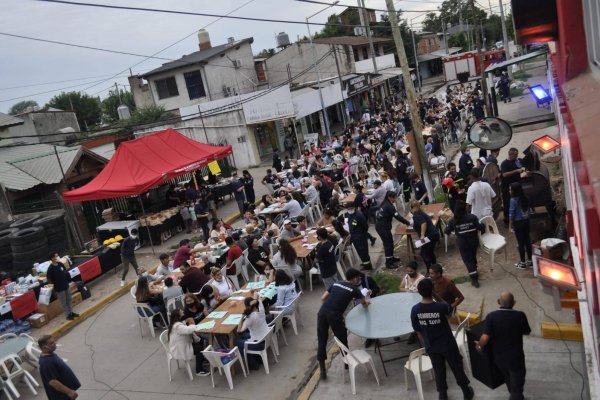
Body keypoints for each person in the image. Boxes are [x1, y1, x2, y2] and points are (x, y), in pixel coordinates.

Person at [411, 279, 474, 400]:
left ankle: (443, 395)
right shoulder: (440, 307)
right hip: (448, 344)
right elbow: (448, 307)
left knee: (439, 371)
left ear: (419, 292)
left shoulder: (415, 310)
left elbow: (417, 330)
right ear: (432, 290)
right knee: (457, 367)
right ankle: (466, 392)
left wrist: (426, 343)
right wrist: (435, 294)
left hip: (431, 346)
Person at [475, 292, 531, 400]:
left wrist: (479, 346)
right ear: (514, 303)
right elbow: (526, 332)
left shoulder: (491, 317)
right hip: (516, 360)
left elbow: (485, 338)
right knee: (517, 389)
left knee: (509, 380)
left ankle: (514, 394)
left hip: (499, 360)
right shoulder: (520, 315)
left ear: (498, 302)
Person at [317, 268, 369, 380]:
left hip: (322, 312)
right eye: (358, 278)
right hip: (335, 316)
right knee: (342, 338)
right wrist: (367, 304)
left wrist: (327, 308)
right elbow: (364, 303)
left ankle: (322, 370)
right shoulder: (354, 289)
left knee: (322, 339)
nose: (359, 280)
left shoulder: (337, 283)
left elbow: (323, 298)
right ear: (354, 278)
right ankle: (346, 363)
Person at [444, 200, 485, 287]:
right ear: (465, 208)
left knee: (468, 260)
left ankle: (474, 279)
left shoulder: (453, 220)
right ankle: (474, 270)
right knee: (472, 257)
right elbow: (481, 227)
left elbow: (446, 231)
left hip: (463, 243)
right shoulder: (472, 217)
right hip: (474, 242)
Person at [168, 309, 210, 376]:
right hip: (180, 348)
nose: (183, 311)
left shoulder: (177, 323)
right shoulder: (177, 326)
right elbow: (188, 330)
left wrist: (186, 321)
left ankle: (202, 359)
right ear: (178, 315)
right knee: (199, 349)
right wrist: (192, 323)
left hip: (183, 343)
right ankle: (199, 370)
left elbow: (185, 327)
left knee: (200, 340)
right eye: (181, 311)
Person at [38, 335, 81, 400]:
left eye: (54, 341)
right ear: (45, 347)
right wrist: (69, 392)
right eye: (51, 343)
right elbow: (53, 381)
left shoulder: (50, 354)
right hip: (62, 396)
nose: (55, 343)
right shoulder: (46, 363)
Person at [375, 191, 410, 268]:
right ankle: (388, 263)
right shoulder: (389, 206)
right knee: (388, 244)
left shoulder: (385, 203)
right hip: (382, 227)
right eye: (394, 197)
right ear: (389, 197)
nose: (395, 199)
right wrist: (407, 222)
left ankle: (391, 257)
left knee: (390, 242)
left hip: (381, 226)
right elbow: (398, 217)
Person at [237, 295, 270, 370]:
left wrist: (242, 317)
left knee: (238, 342)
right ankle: (258, 357)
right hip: (267, 337)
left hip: (259, 343)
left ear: (246, 307)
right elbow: (259, 298)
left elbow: (238, 330)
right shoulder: (261, 309)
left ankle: (253, 364)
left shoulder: (249, 318)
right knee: (244, 336)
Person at [46, 253, 79, 321]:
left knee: (69, 299)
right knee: (64, 302)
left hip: (65, 285)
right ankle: (68, 315)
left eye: (57, 256)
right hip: (59, 288)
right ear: (52, 258)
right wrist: (54, 286)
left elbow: (65, 272)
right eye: (55, 256)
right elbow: (49, 279)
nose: (57, 257)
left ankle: (71, 312)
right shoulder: (50, 269)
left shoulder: (60, 264)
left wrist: (68, 281)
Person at [410, 200, 440, 273]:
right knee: (430, 252)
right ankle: (435, 268)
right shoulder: (421, 213)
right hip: (434, 235)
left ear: (412, 208)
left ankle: (429, 271)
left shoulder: (416, 215)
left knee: (424, 253)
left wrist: (422, 235)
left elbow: (423, 223)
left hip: (429, 236)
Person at [509, 182, 533, 269]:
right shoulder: (526, 197)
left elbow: (511, 214)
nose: (509, 191)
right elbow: (530, 210)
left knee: (521, 243)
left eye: (510, 189)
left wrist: (510, 225)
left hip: (518, 223)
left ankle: (522, 263)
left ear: (514, 191)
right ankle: (530, 261)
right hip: (526, 222)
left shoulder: (513, 200)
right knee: (527, 241)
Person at [501, 147, 526, 227]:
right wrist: (516, 171)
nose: (516, 156)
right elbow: (504, 174)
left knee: (518, 201)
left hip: (517, 186)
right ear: (510, 155)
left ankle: (517, 218)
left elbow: (524, 166)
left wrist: (524, 169)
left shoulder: (518, 161)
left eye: (517, 154)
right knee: (508, 204)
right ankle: (507, 221)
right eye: (515, 155)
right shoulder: (504, 163)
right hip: (507, 187)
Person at [346, 204, 372, 270]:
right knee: (360, 251)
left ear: (354, 207)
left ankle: (367, 266)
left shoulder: (358, 215)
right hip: (355, 236)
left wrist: (361, 234)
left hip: (360, 237)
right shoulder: (351, 214)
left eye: (351, 208)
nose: (349, 210)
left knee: (363, 251)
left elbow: (365, 226)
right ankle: (365, 262)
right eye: (348, 209)